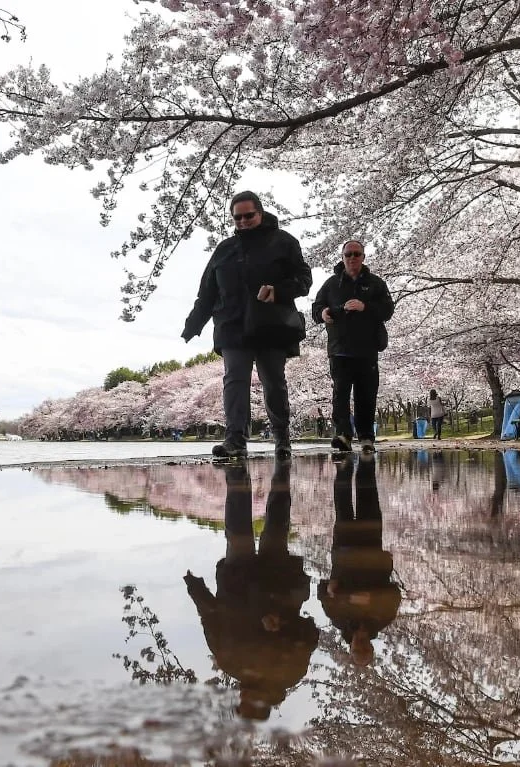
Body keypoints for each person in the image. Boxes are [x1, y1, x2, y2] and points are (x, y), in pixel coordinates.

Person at [183, 191, 313, 460]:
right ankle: (235, 441)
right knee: (235, 380)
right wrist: (194, 324)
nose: (242, 221)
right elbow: (207, 291)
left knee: (273, 382)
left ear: (261, 213)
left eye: (248, 216)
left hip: (271, 324)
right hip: (232, 325)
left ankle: (281, 438)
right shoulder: (224, 249)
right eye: (237, 217)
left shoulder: (284, 242)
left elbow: (304, 280)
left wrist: (278, 291)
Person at [184, 462, 317, 720]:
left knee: (238, 531)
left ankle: (237, 476)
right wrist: (284, 623)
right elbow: (310, 633)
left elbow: (211, 620)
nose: (241, 696)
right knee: (276, 527)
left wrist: (196, 589)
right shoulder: (289, 671)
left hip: (238, 581)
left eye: (240, 701)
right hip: (277, 583)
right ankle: (281, 473)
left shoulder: (231, 664)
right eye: (246, 702)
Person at [311, 240, 394, 452]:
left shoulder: (376, 284)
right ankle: (343, 435)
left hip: (367, 349)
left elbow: (387, 310)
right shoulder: (331, 284)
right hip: (339, 349)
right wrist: (323, 313)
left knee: (366, 394)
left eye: (356, 254)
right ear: (342, 257)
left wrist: (365, 306)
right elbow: (316, 308)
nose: (352, 258)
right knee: (340, 394)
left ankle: (366, 437)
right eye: (348, 254)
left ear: (363, 257)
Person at [318, 454, 401, 668]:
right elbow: (395, 593)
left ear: (351, 647)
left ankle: (342, 465)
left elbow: (321, 590)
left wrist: (330, 589)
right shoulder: (383, 618)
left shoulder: (337, 619)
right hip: (371, 547)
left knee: (342, 502)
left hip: (344, 551)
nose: (362, 645)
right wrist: (371, 596)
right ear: (372, 647)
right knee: (369, 495)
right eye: (366, 649)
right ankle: (366, 461)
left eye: (357, 649)